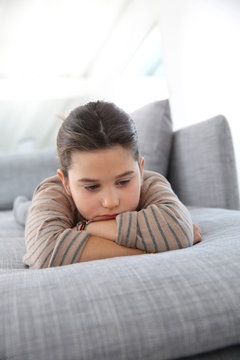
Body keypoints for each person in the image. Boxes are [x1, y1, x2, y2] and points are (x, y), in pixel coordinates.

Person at [23, 101, 201, 269]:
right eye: (92, 187)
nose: (110, 202)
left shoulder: (149, 181)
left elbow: (178, 228)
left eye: (123, 182)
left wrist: (85, 227)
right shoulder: (54, 192)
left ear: (140, 170)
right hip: (36, 209)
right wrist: (153, 248)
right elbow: (44, 253)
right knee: (23, 210)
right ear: (66, 183)